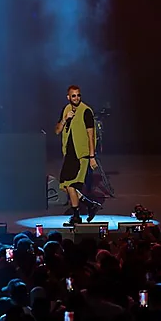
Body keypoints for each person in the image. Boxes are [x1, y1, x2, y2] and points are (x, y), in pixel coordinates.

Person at [54, 85, 101, 226]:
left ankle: (76, 216)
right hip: (69, 154)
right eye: (73, 95)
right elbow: (57, 131)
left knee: (71, 185)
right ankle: (89, 204)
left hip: (81, 155)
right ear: (68, 97)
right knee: (65, 185)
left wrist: (92, 157)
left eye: (78, 95)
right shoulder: (66, 109)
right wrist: (65, 119)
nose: (76, 98)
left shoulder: (86, 111)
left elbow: (91, 135)